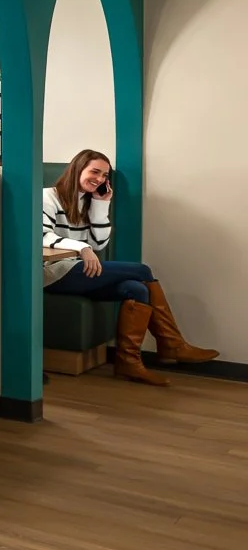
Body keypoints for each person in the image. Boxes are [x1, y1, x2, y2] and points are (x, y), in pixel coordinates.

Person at [44, 149, 217, 386]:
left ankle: (129, 363)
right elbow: (42, 235)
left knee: (137, 289)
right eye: (95, 172)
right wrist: (81, 249)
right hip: (51, 271)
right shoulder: (47, 197)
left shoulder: (87, 200)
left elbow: (98, 243)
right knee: (142, 270)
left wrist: (100, 204)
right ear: (77, 169)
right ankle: (172, 345)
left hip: (74, 268)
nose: (100, 179)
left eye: (104, 176)